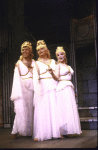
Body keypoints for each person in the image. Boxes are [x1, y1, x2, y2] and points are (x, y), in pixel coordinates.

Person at [48, 46, 82, 137]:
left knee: (69, 109)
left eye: (62, 54)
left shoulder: (68, 67)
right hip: (62, 88)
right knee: (62, 109)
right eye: (58, 55)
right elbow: (57, 78)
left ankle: (68, 130)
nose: (60, 56)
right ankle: (60, 131)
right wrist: (51, 73)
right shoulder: (58, 66)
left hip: (68, 88)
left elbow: (69, 79)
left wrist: (72, 91)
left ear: (65, 55)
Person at [33, 40, 61, 141]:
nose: (40, 51)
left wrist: (52, 74)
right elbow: (35, 78)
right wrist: (37, 91)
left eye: (42, 49)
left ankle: (56, 132)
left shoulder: (53, 62)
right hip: (42, 87)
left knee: (54, 109)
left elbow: (57, 77)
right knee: (43, 110)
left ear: (47, 50)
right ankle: (41, 133)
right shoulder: (36, 63)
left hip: (53, 85)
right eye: (38, 50)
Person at [10, 41, 35, 139]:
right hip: (22, 88)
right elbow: (16, 78)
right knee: (21, 110)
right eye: (23, 49)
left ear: (30, 51)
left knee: (32, 109)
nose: (25, 50)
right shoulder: (19, 63)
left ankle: (31, 130)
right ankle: (15, 131)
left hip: (32, 88)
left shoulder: (34, 62)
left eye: (27, 49)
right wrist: (18, 92)